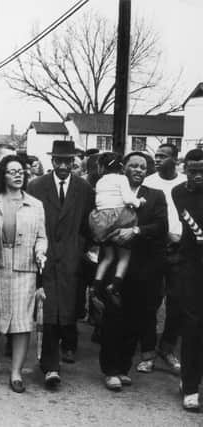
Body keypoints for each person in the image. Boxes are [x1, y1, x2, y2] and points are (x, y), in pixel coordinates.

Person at [97, 151, 167, 392]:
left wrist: (135, 231)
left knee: (134, 321)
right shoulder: (111, 191)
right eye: (133, 165)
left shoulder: (155, 196)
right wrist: (106, 233)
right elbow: (95, 219)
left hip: (141, 269)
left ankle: (123, 368)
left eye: (142, 166)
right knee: (112, 320)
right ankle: (110, 370)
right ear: (123, 168)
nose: (138, 169)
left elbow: (160, 226)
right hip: (114, 267)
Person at [27, 140, 94, 389]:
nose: (64, 165)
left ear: (74, 161)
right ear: (52, 161)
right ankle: (50, 366)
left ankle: (68, 346)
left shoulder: (84, 188)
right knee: (48, 311)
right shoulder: (36, 186)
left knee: (69, 309)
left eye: (68, 161)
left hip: (71, 259)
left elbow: (89, 225)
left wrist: (81, 250)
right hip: (44, 256)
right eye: (59, 161)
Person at [0, 155, 47, 393]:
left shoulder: (35, 204)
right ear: (2, 175)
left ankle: (16, 372)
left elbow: (42, 236)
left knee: (21, 320)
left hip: (24, 267)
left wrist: (40, 253)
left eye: (21, 171)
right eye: (12, 171)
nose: (18, 175)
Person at [140, 143, 186, 374]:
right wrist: (164, 233)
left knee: (177, 302)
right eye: (156, 155)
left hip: (182, 250)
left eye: (163, 156)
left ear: (175, 160)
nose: (157, 159)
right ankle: (147, 351)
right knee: (150, 301)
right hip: (155, 248)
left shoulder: (186, 182)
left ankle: (167, 347)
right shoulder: (148, 182)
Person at [89, 152, 146, 306]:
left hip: (100, 221)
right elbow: (128, 199)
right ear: (121, 167)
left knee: (108, 257)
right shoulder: (122, 179)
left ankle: (95, 285)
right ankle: (115, 285)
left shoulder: (100, 181)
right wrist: (139, 202)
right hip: (119, 219)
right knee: (124, 257)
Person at [171, 149, 203, 412]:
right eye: (192, 170)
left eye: (202, 171)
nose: (197, 176)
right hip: (191, 267)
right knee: (192, 326)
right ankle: (190, 385)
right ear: (185, 169)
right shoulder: (179, 192)